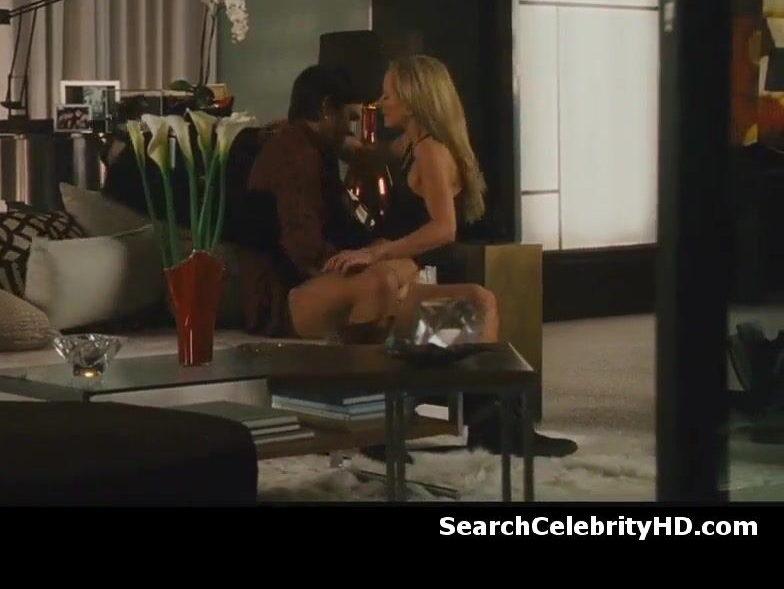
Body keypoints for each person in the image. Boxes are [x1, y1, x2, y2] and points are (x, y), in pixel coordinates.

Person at [239, 60, 577, 458]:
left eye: (388, 94)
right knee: (383, 281)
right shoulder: (319, 150)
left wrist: (378, 254)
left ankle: (491, 423)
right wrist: (373, 258)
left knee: (478, 302)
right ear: (327, 111)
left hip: (372, 276)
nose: (378, 105)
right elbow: (306, 239)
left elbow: (443, 228)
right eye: (351, 116)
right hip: (305, 292)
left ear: (415, 99)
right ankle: (381, 419)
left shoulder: (425, 150)